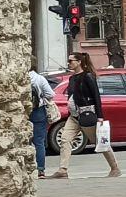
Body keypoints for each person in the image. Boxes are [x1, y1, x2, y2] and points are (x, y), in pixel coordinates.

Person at [53, 51, 120, 179]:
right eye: (68, 61)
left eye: (71, 61)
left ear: (79, 62)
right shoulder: (72, 78)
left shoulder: (88, 76)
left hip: (87, 114)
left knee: (100, 141)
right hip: (74, 116)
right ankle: (63, 170)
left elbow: (96, 96)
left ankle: (115, 168)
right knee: (65, 139)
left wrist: (100, 116)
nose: (69, 63)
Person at [28, 68, 55, 178]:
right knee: (39, 142)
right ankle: (41, 170)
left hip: (23, 112)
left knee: (24, 141)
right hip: (38, 111)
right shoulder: (39, 78)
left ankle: (26, 168)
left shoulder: (19, 77)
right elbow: (50, 94)